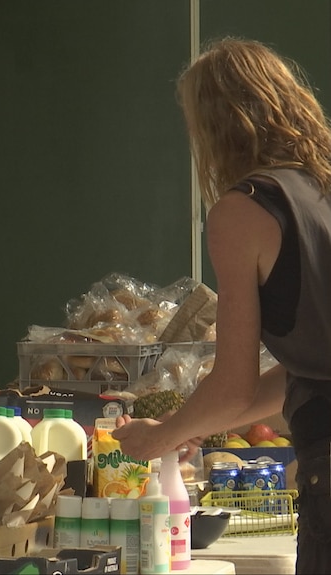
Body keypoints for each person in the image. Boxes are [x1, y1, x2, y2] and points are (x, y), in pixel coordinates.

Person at [111, 38, 331, 573]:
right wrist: (192, 426)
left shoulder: (244, 211)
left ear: (214, 126)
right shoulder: (320, 188)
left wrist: (156, 437)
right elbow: (308, 368)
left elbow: (232, 386)